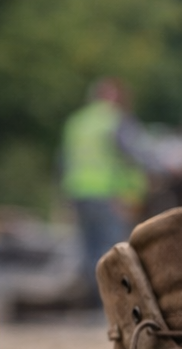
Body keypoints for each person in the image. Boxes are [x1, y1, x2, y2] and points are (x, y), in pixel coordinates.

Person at [61, 78, 154, 297]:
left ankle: (92, 302)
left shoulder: (77, 122)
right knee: (112, 250)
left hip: (78, 193)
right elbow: (135, 154)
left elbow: (63, 162)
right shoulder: (115, 121)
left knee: (88, 250)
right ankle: (111, 304)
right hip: (107, 194)